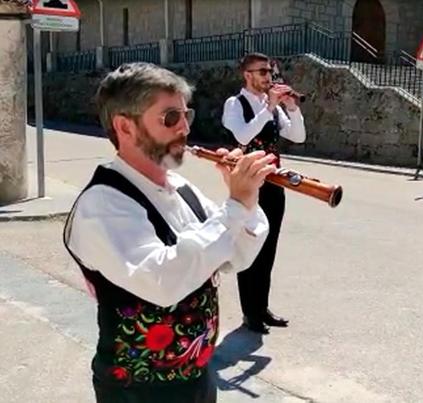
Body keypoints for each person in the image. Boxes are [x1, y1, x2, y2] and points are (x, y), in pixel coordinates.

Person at [62, 62, 274, 402]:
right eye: (170, 118)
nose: (185, 128)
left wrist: (246, 201)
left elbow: (236, 256)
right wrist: (234, 205)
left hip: (197, 379)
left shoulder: (181, 188)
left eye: (186, 115)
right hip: (137, 391)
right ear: (125, 127)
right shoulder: (102, 203)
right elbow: (161, 282)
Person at [222, 52, 306, 334]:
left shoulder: (271, 106)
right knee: (250, 247)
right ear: (247, 75)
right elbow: (243, 136)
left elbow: (298, 136)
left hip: (274, 184)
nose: (268, 77)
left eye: (270, 72)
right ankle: (250, 313)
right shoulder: (234, 104)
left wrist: (292, 108)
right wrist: (268, 106)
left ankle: (262, 307)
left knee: (268, 248)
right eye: (262, 72)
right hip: (247, 186)